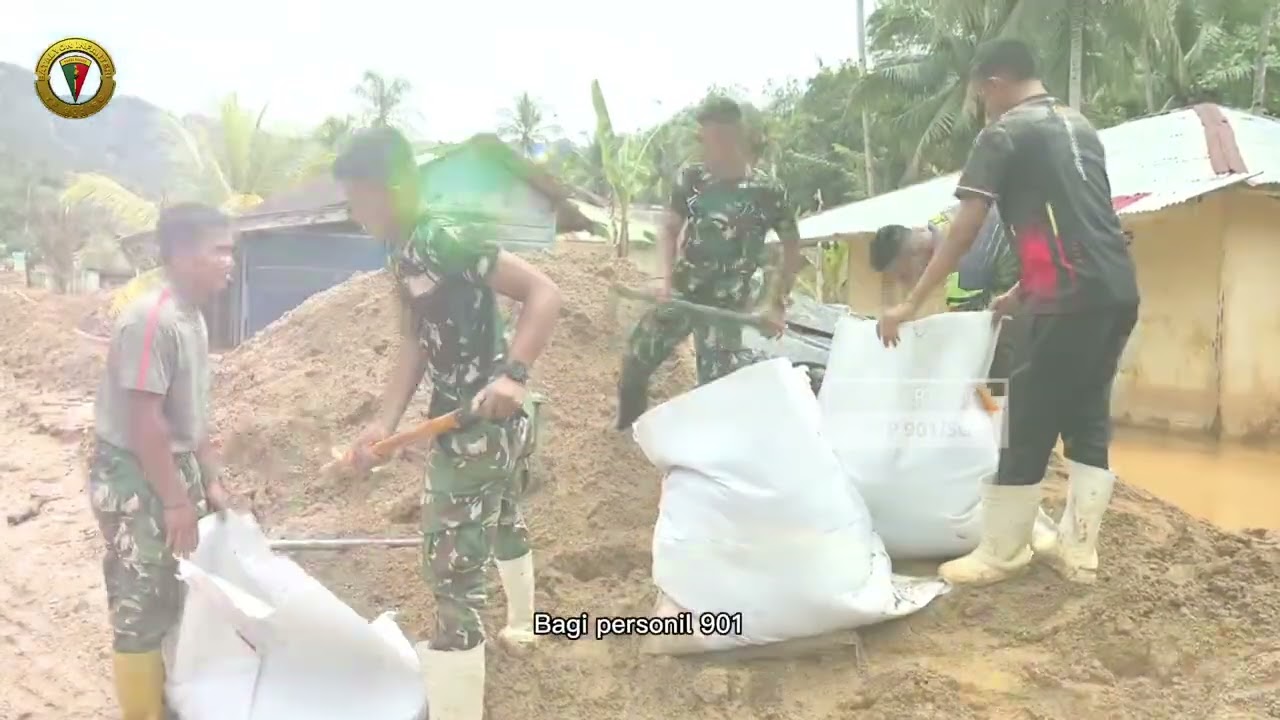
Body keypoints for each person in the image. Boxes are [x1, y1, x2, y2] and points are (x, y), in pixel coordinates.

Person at [874, 38, 1140, 588]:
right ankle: (1079, 550)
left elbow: (964, 227)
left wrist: (909, 302)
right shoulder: (1080, 128)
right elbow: (1082, 223)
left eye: (979, 93)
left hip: (1067, 301)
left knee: (1025, 421)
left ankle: (1002, 550)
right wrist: (1021, 290)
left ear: (992, 82)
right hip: (1115, 291)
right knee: (1087, 415)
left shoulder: (1003, 133)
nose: (980, 104)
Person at [333, 126, 562, 720]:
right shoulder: (400, 248)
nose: (356, 214)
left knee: (451, 566)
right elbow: (413, 338)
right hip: (463, 418)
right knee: (505, 518)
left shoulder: (444, 236)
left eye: (360, 199)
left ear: (395, 186)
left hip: (483, 422)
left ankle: (459, 702)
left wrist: (514, 374)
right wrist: (383, 425)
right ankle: (523, 625)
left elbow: (543, 292)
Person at [89, 203, 240, 720]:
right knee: (139, 607)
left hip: (172, 472)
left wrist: (211, 482)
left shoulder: (192, 317)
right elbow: (144, 422)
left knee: (178, 597)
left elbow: (189, 413)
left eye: (231, 250)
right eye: (218, 249)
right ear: (179, 253)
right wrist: (176, 501)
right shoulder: (151, 320)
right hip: (137, 479)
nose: (229, 262)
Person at [615, 96, 801, 429]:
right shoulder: (693, 179)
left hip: (726, 307)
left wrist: (777, 303)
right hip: (684, 293)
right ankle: (629, 432)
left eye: (714, 141)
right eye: (704, 140)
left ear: (735, 138)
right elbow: (670, 228)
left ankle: (707, 460)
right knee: (635, 360)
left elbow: (791, 248)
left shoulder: (768, 192)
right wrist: (666, 281)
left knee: (715, 390)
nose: (707, 150)